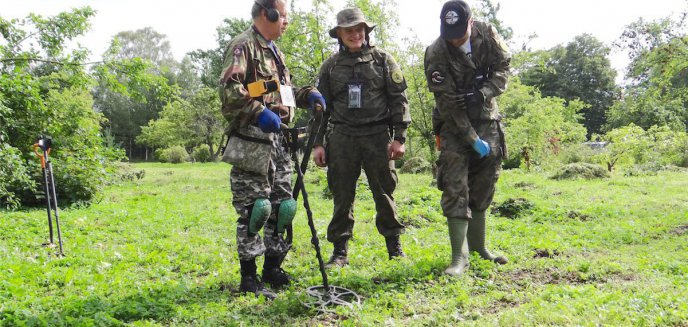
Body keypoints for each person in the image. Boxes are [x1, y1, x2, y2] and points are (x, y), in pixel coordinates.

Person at [219, 0, 326, 298]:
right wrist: (256, 111)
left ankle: (273, 268)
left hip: (280, 144)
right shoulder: (244, 46)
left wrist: (307, 96)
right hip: (253, 143)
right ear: (269, 13)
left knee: (283, 208)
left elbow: (280, 92)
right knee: (257, 209)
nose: (287, 22)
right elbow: (230, 91)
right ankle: (249, 278)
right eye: (284, 16)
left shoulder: (273, 50)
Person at [312, 7, 411, 268]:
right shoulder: (331, 66)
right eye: (349, 30)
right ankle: (339, 252)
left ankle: (394, 248)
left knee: (384, 193)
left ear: (366, 31)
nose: (355, 34)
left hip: (378, 136)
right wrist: (318, 143)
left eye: (359, 29)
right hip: (342, 136)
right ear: (340, 34)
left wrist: (399, 138)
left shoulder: (383, 60)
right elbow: (321, 108)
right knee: (342, 194)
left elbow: (398, 100)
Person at [424, 0, 510, 276]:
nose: (454, 39)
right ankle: (458, 258)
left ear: (471, 23)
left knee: (485, 182)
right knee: (455, 185)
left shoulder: (488, 34)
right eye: (450, 34)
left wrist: (483, 91)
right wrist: (471, 138)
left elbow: (504, 68)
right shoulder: (436, 52)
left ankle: (479, 248)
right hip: (453, 124)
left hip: (486, 118)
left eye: (460, 32)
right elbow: (447, 105)